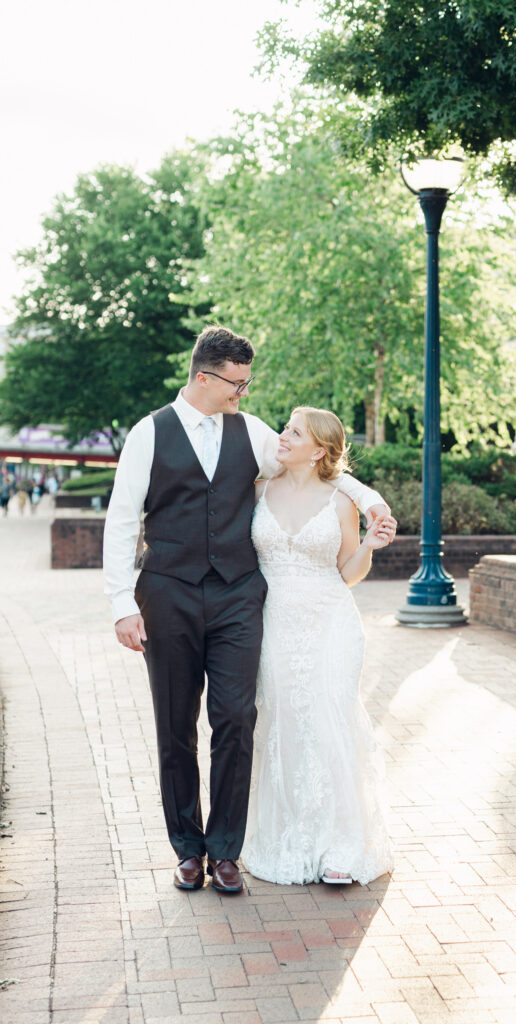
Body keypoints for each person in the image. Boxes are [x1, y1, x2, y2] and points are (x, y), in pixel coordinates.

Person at [103, 326, 393, 895]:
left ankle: (227, 850)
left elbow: (320, 468)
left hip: (239, 596)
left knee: (236, 719)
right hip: (168, 593)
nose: (244, 392)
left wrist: (371, 501)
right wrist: (121, 604)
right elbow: (120, 519)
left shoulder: (254, 431)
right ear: (205, 378)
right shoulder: (149, 434)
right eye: (237, 383)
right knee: (175, 725)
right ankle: (187, 849)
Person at [242, 407, 395, 886]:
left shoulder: (340, 500)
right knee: (283, 722)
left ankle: (341, 846)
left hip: (331, 622)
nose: (282, 436)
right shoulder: (259, 489)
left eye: (294, 432)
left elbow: (347, 574)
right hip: (273, 622)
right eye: (286, 428)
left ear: (320, 450)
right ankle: (292, 834)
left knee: (329, 719)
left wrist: (370, 545)